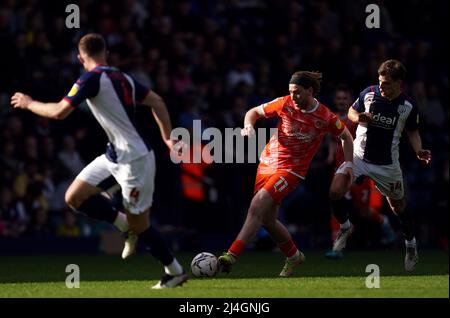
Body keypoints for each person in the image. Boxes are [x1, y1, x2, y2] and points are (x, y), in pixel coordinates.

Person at [11, 33, 188, 288]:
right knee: (74, 197)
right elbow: (157, 101)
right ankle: (124, 224)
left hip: (135, 160)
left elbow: (59, 112)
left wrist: (29, 104)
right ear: (105, 53)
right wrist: (168, 138)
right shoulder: (123, 77)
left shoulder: (91, 78)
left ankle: (174, 271)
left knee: (142, 226)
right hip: (114, 154)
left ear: (80, 57)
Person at [218, 71, 354, 277]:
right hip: (267, 164)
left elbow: (346, 137)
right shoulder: (284, 103)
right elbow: (253, 112)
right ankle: (293, 256)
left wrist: (349, 164)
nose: (293, 97)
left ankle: (231, 255)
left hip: (291, 171)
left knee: (256, 205)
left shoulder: (325, 116)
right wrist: (248, 126)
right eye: (291, 92)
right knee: (267, 220)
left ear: (310, 91)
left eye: (297, 93)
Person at [329, 59, 432, 271]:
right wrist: (359, 117)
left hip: (387, 165)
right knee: (335, 191)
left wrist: (419, 151)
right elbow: (350, 112)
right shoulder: (369, 93)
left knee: (398, 207)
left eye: (386, 83)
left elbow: (412, 132)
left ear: (399, 83)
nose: (381, 86)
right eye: (380, 81)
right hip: (358, 157)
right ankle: (346, 227)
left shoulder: (408, 106)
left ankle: (411, 245)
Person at [325, 85, 394, 259]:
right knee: (336, 204)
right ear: (335, 101)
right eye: (338, 98)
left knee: (364, 212)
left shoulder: (357, 119)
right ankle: (337, 248)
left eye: (344, 98)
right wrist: (330, 156)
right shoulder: (331, 119)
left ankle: (384, 223)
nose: (341, 101)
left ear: (349, 101)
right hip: (341, 170)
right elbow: (332, 142)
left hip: (358, 169)